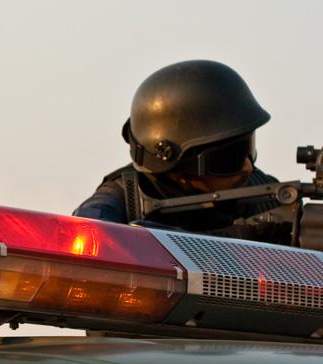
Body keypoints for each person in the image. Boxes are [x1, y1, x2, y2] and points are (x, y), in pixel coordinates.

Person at [74, 59, 282, 238]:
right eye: (230, 158)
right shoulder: (120, 201)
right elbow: (90, 241)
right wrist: (230, 242)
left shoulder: (270, 197)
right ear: (178, 168)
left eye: (248, 148)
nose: (246, 167)